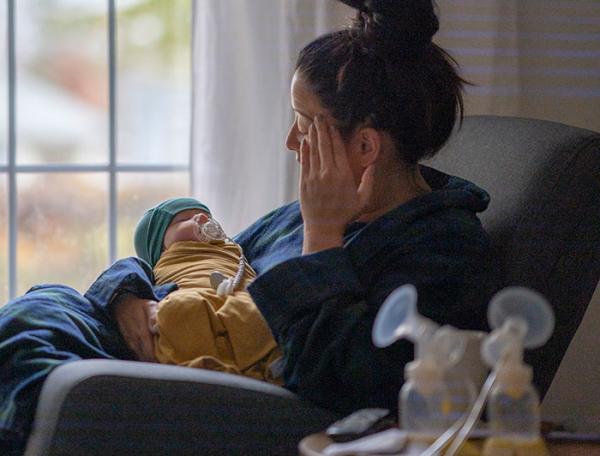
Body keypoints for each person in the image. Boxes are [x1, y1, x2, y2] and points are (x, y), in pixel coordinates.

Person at [0, 1, 497, 453]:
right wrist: (126, 295)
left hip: (242, 404)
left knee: (27, 351)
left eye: (303, 125)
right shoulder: (298, 217)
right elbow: (212, 264)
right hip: (151, 343)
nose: (290, 141)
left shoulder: (440, 248)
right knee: (38, 314)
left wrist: (323, 237)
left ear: (365, 147)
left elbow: (343, 382)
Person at [133, 197, 282, 383]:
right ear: (158, 245)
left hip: (239, 298)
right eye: (184, 219)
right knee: (177, 309)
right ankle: (207, 365)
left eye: (206, 216)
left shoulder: (233, 249)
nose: (203, 218)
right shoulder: (161, 265)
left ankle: (264, 366)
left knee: (261, 308)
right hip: (196, 296)